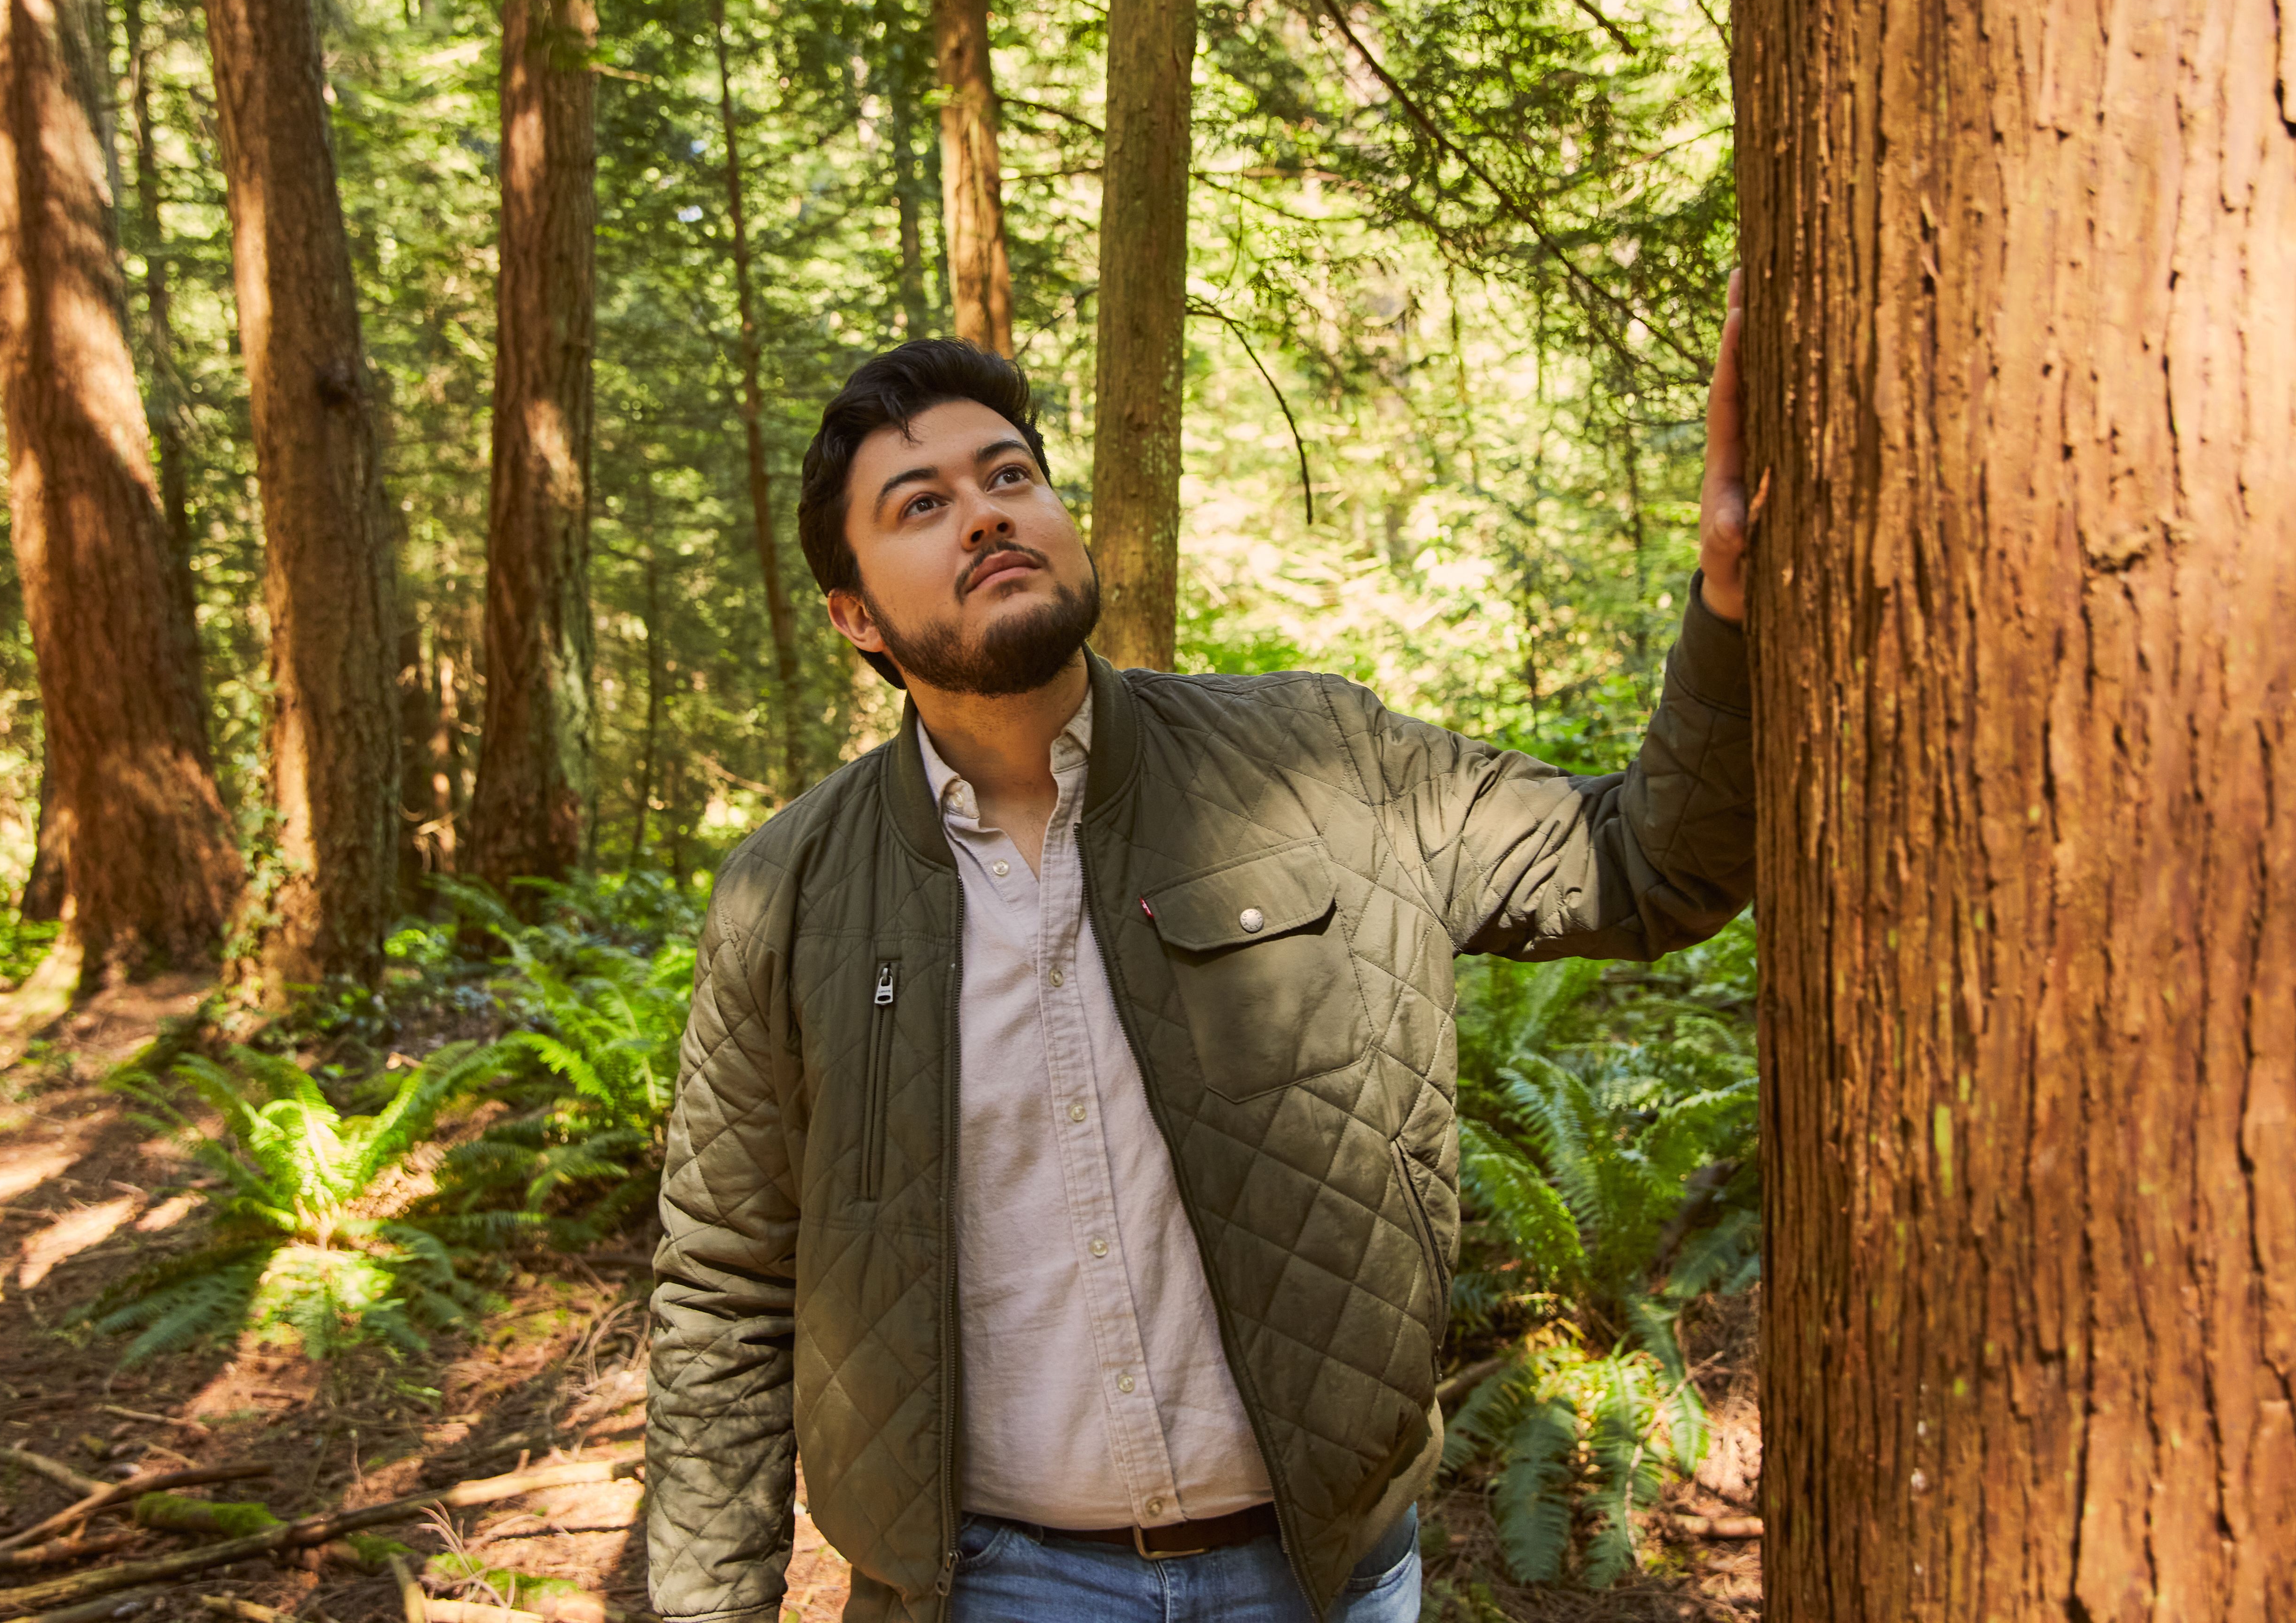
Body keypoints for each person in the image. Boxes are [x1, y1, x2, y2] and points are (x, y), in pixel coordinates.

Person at [645, 275, 1758, 1623]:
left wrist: (1731, 611)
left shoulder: (1322, 760)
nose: (986, 509)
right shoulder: (790, 894)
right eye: (921, 504)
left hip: (1328, 1576)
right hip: (994, 1590)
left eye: (1009, 474)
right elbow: (726, 1288)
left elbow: (1642, 869)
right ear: (855, 616)